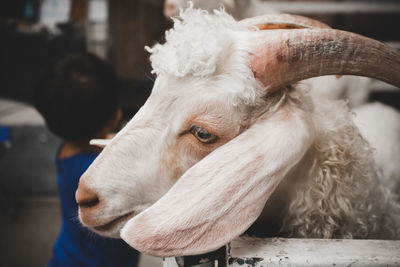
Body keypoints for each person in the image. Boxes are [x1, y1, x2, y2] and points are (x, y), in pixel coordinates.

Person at [34, 52, 139, 267]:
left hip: (69, 256)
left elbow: (101, 142)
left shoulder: (67, 148)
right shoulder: (104, 173)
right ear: (114, 117)